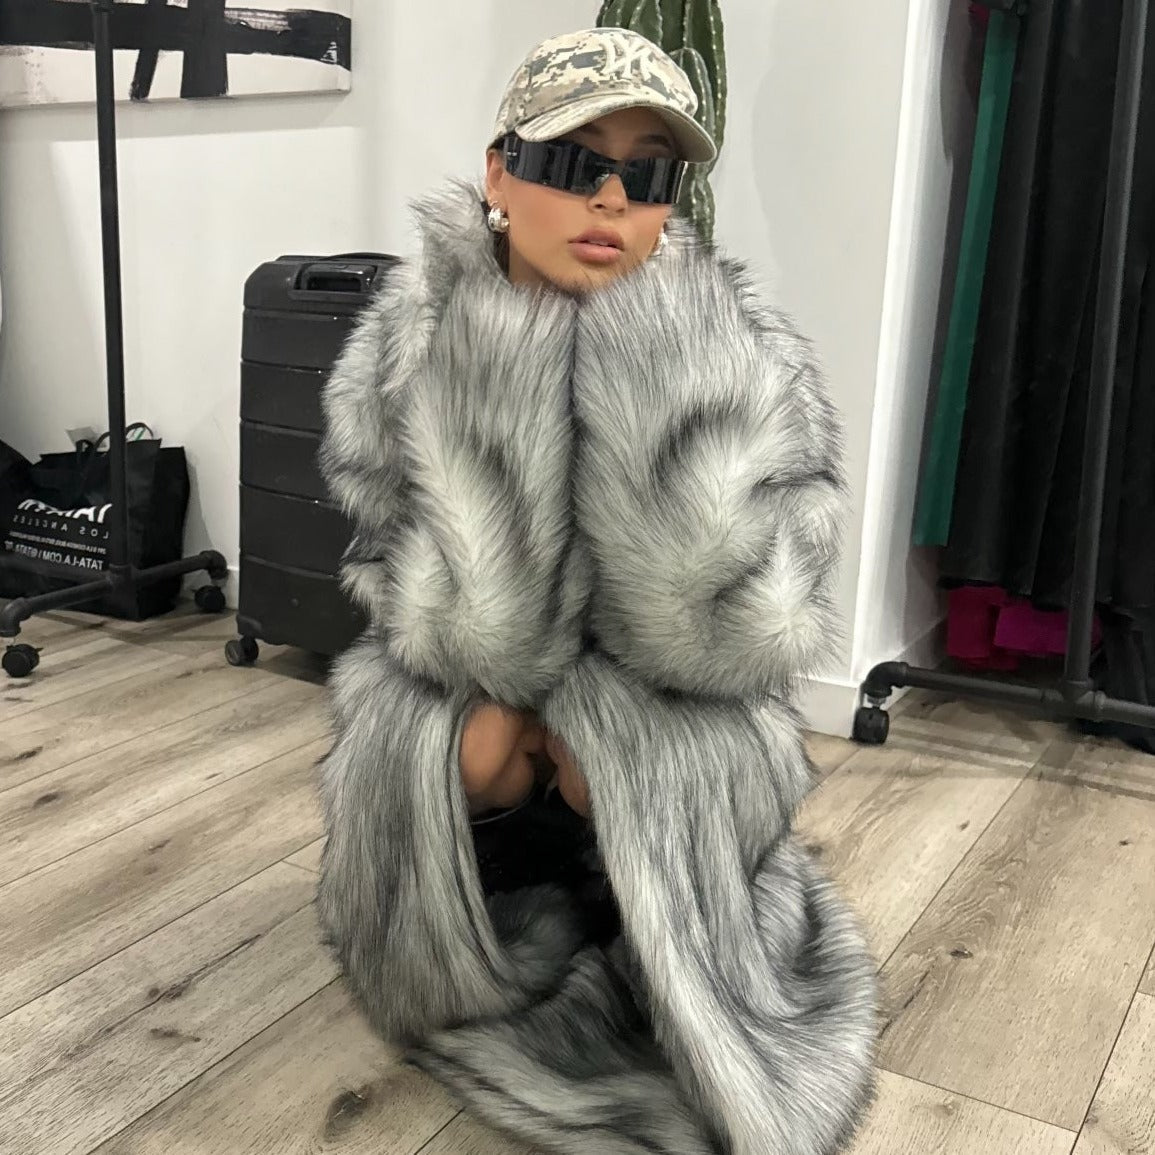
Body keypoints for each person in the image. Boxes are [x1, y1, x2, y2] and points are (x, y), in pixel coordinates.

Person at [317, 27, 878, 1155]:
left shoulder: (738, 352)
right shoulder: (409, 344)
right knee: (478, 748)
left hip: (674, 686)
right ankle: (500, 909)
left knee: (605, 756)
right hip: (465, 665)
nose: (611, 199)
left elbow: (753, 622)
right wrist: (493, 626)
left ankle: (639, 909)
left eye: (648, 176)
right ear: (499, 173)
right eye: (574, 162)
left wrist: (664, 411)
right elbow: (379, 550)